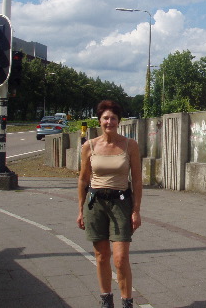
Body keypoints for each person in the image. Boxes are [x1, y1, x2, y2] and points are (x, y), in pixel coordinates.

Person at [77, 100, 142, 308]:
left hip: (121, 203)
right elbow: (83, 179)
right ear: (99, 120)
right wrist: (80, 210)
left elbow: (138, 180)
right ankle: (106, 300)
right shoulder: (90, 146)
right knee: (101, 256)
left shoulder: (130, 145)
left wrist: (136, 210)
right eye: (105, 118)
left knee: (120, 259)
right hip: (95, 204)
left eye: (113, 118)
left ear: (118, 121)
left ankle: (127, 302)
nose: (109, 121)